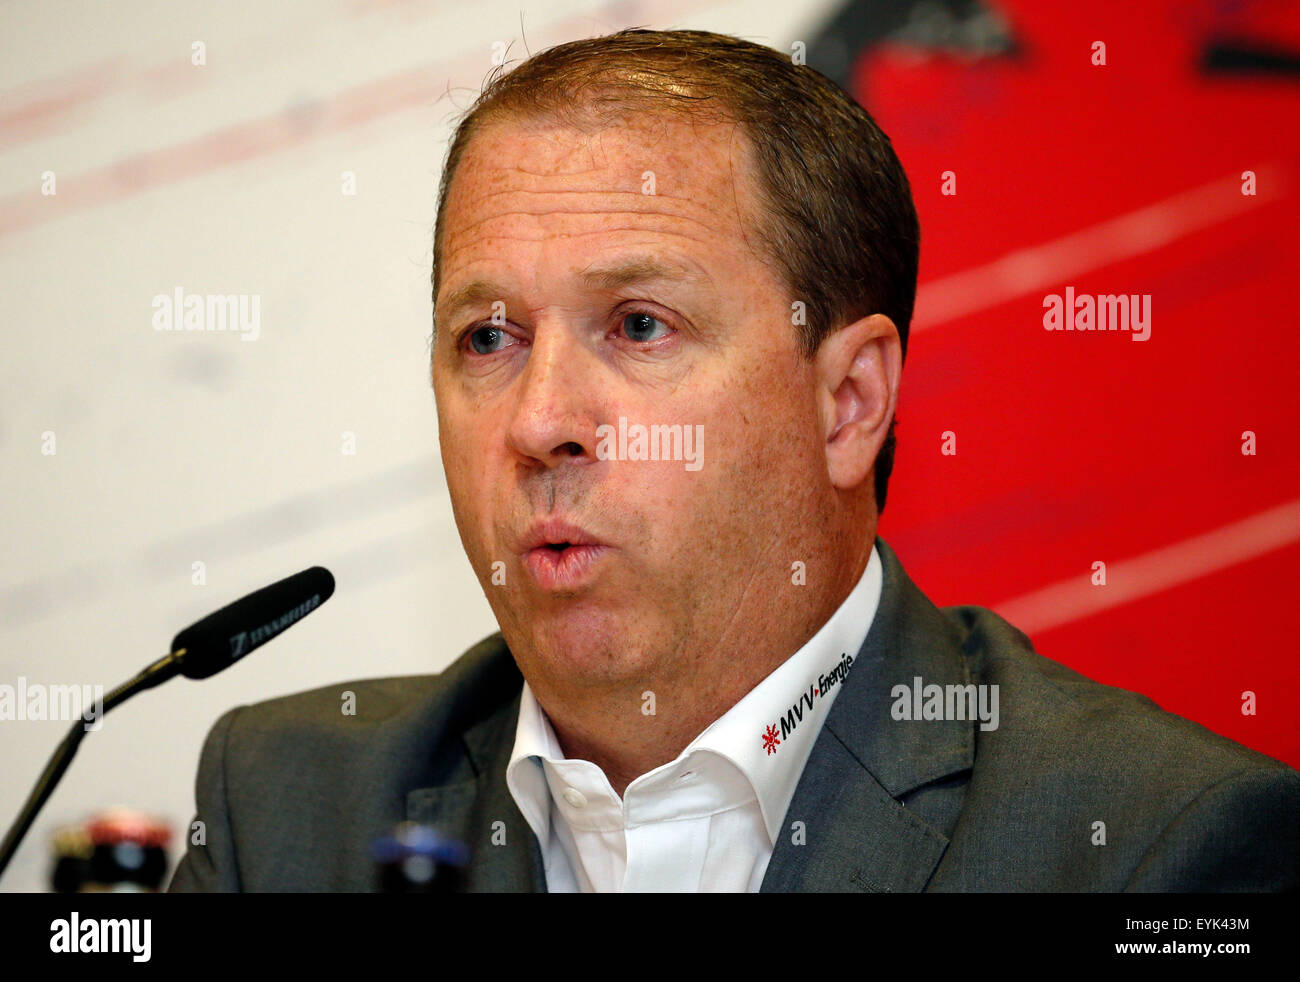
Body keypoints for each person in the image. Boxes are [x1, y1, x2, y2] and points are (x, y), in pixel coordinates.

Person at [168, 28, 1299, 893]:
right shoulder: (282, 813)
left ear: (847, 403)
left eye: (640, 326)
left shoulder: (1155, 844)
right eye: (488, 338)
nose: (539, 421)